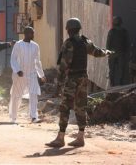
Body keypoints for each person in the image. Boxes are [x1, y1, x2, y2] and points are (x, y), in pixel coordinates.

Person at [46, 18, 112, 148]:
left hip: (72, 79)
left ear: (69, 30)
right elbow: (98, 52)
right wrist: (107, 52)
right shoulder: (85, 42)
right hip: (83, 78)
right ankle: (80, 137)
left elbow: (64, 67)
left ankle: (60, 138)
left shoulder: (68, 44)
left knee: (65, 107)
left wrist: (58, 86)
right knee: (81, 107)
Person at [9, 26, 46, 124]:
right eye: (31, 33)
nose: (33, 35)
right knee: (17, 95)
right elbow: (13, 59)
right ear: (25, 34)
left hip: (32, 74)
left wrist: (41, 75)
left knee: (33, 94)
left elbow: (37, 61)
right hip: (20, 75)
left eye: (33, 33)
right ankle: (13, 117)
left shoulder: (35, 46)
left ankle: (34, 117)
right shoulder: (18, 45)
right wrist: (17, 70)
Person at [106, 16, 130, 86]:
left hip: (112, 53)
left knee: (112, 70)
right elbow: (127, 44)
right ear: (121, 23)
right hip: (121, 53)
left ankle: (112, 83)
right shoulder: (124, 31)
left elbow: (108, 43)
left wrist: (108, 53)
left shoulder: (111, 31)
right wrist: (127, 53)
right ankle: (120, 83)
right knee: (121, 70)